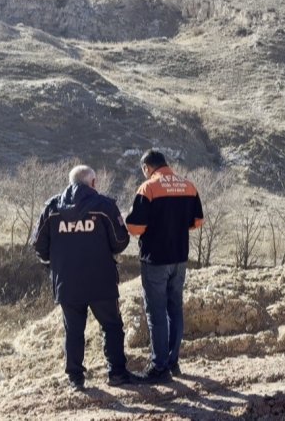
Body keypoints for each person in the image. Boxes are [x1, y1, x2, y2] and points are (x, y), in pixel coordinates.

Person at [32, 165, 133, 391]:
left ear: (70, 181)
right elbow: (120, 242)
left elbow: (39, 246)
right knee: (112, 326)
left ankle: (75, 379)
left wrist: (58, 262)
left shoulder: (52, 207)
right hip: (101, 280)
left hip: (67, 282)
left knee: (74, 331)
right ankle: (117, 373)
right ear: (93, 182)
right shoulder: (105, 206)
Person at [125, 149, 203, 384]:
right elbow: (197, 222)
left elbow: (135, 227)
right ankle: (172, 362)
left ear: (147, 168)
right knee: (174, 308)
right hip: (179, 258)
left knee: (156, 312)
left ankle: (159, 367)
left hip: (155, 260)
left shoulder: (148, 188)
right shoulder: (188, 186)